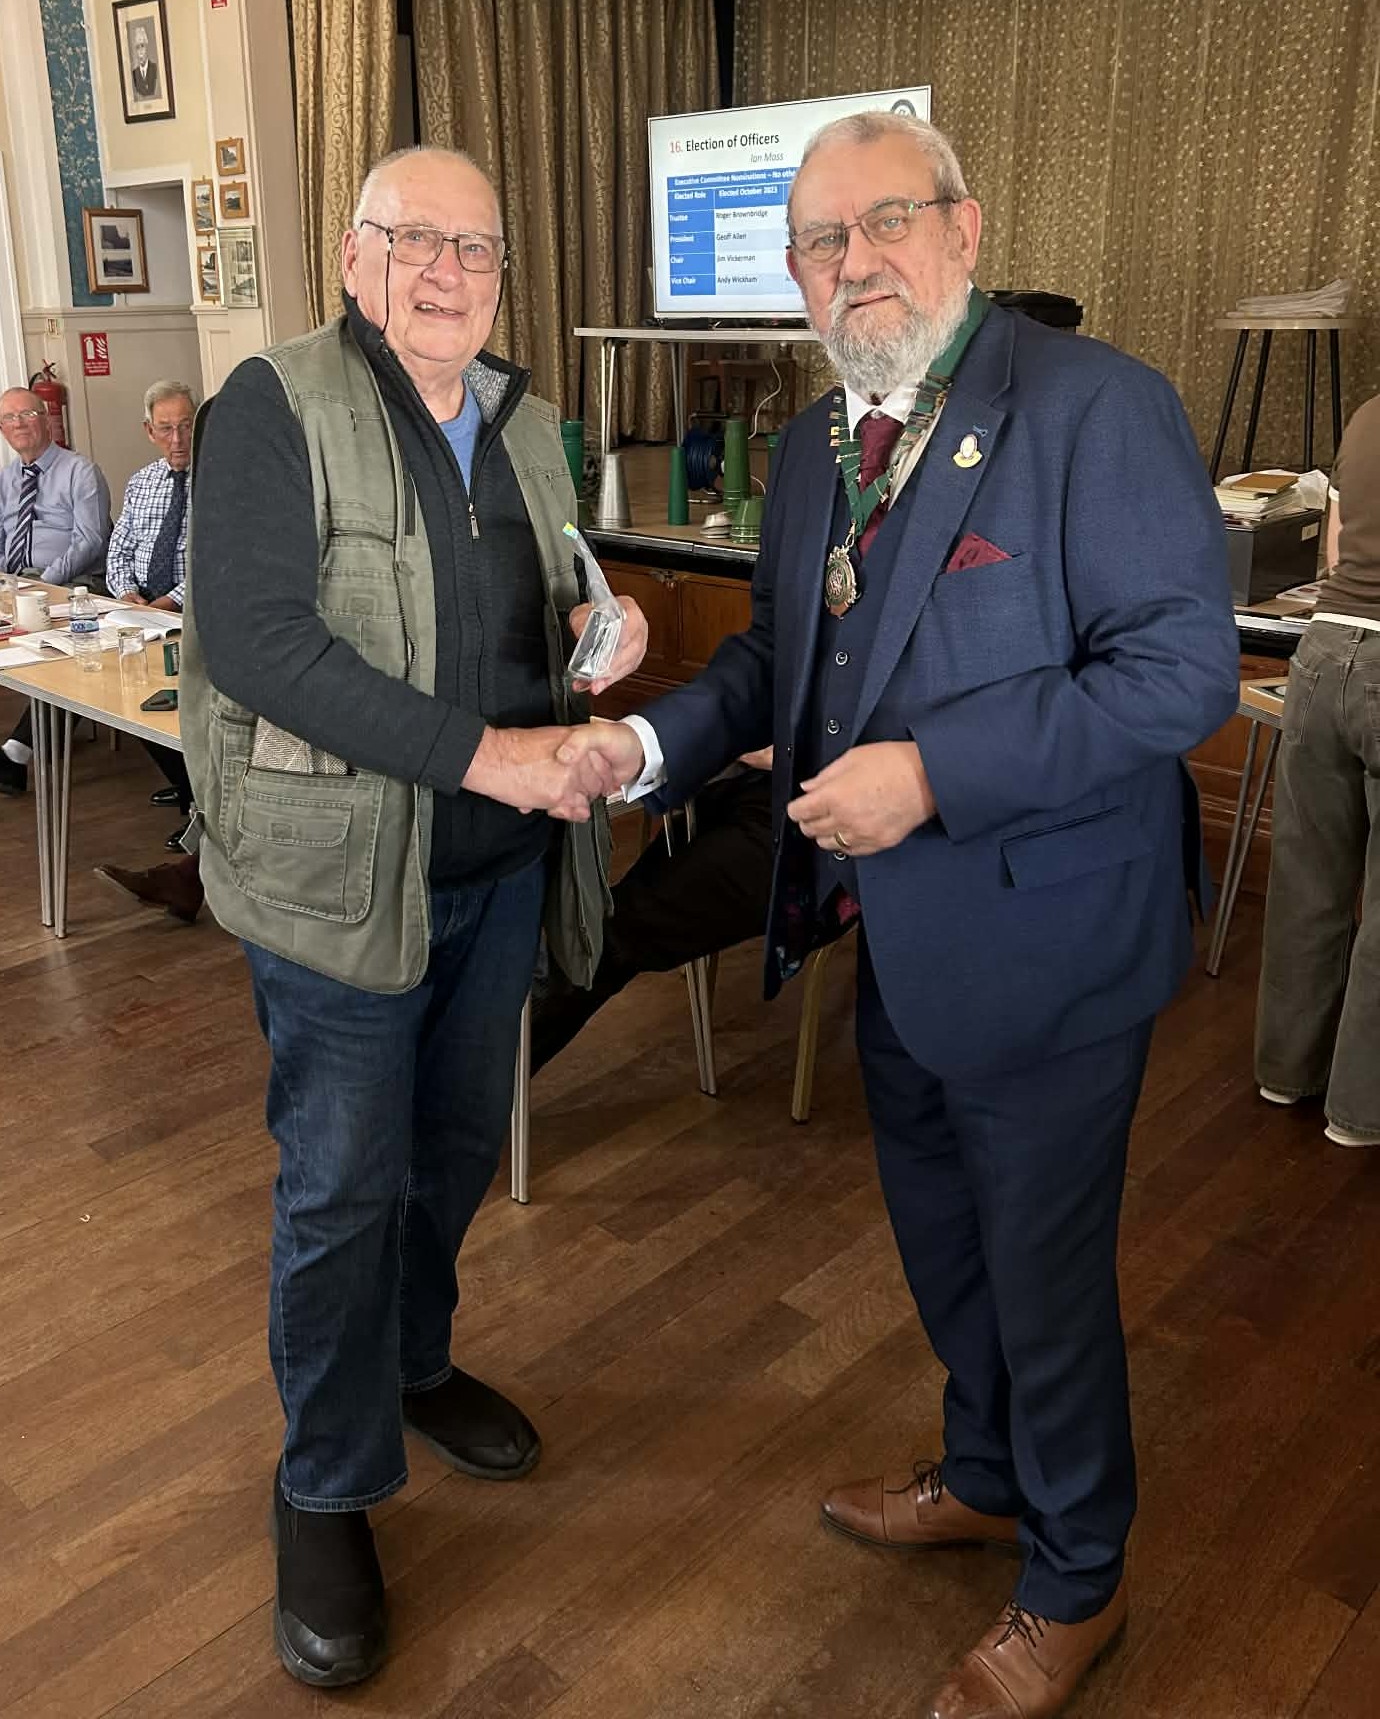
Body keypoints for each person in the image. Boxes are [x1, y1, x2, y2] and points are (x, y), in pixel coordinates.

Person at [563, 112, 1240, 1719]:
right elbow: (777, 661)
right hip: (897, 944)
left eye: (885, 222)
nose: (853, 261)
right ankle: (988, 1473)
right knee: (947, 1243)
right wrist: (646, 746)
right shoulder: (817, 445)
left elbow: (1179, 674)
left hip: (1054, 944)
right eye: (820, 240)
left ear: (964, 228)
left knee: (1045, 1279)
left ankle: (1076, 1574)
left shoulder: (1098, 406)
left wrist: (933, 772)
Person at [179, 144, 645, 1689]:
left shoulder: (525, 420)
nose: (447, 271)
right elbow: (258, 642)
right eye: (414, 240)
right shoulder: (273, 405)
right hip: (336, 888)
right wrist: (488, 753)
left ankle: (415, 1362)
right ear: (352, 255)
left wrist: (604, 625)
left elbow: (557, 600)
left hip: (498, 876)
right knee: (340, 1186)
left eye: (477, 247)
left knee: (451, 1149)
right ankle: (323, 1481)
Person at [1255, 393, 1380, 1147]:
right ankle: (1360, 1113)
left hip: (1324, 650)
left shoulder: (1366, 414)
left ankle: (1286, 1071)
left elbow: (1335, 553)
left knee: (1308, 879)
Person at [531, 756, 774, 1071]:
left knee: (605, 941)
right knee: (604, 925)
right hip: (746, 788)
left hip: (810, 831)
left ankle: (482, 1076)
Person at [0, 388, 111, 796]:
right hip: (17, 583)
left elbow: (91, 540)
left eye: (27, 415)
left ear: (46, 419)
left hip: (72, 583)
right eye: (9, 418)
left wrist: (44, 583)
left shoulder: (81, 471)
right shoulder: (6, 478)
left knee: (65, 650)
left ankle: (16, 752)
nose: (18, 424)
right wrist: (7, 582)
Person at [104, 379, 199, 842]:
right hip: (138, 614)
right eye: (166, 428)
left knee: (183, 709)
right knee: (124, 698)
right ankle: (185, 786)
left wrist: (170, 601)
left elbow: (215, 558)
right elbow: (117, 549)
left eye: (186, 425)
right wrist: (128, 595)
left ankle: (198, 804)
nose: (177, 439)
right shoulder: (141, 481)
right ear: (149, 431)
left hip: (190, 614)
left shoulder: (220, 478)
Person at [128, 24, 158, 100]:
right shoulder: (134, 73)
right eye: (137, 47)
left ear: (147, 47)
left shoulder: (154, 68)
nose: (140, 51)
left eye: (142, 46)